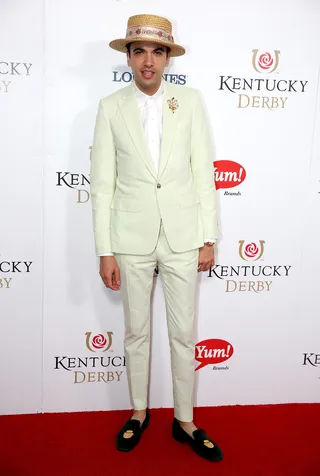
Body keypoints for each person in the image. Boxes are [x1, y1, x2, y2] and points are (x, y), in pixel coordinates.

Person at [90, 13, 223, 462]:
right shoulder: (110, 107)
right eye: (140, 50)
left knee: (184, 334)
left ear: (168, 57)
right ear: (128, 56)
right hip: (129, 238)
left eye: (157, 51)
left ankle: (185, 420)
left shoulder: (190, 101)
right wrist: (104, 250)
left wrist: (208, 236)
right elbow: (103, 185)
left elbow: (202, 173)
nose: (148, 61)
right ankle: (139, 412)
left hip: (184, 237)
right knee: (135, 333)